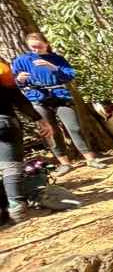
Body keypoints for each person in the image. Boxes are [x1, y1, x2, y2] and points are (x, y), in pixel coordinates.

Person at [12, 32, 105, 176]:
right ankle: (64, 163)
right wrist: (20, 79)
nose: (36, 50)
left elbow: (70, 75)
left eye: (39, 46)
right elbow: (14, 82)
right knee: (50, 132)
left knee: (74, 127)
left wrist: (53, 67)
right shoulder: (22, 60)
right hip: (38, 98)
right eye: (33, 47)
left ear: (46, 44)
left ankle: (90, 159)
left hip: (60, 96)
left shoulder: (57, 59)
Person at [0, 55, 55, 225]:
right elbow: (17, 97)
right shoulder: (1, 68)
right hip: (4, 120)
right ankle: (17, 210)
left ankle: (3, 213)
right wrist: (38, 119)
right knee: (11, 167)